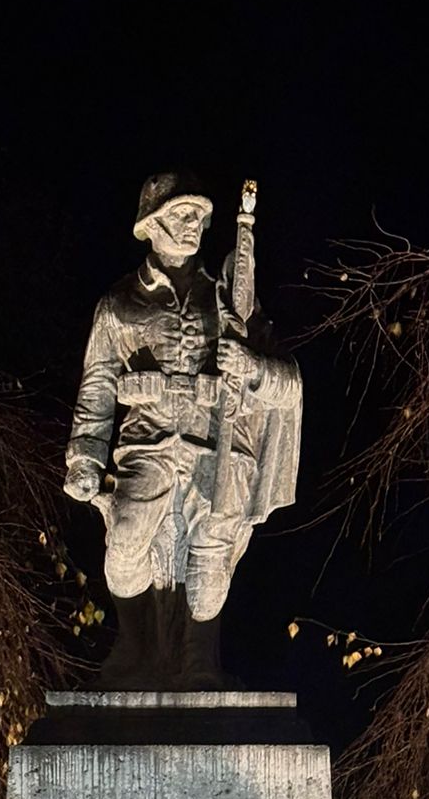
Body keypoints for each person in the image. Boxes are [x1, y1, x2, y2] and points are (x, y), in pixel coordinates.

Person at [65, 169, 301, 688]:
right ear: (152, 224)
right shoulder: (119, 304)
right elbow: (97, 384)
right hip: (146, 448)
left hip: (216, 451)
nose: (195, 223)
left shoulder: (229, 301)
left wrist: (251, 367)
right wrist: (84, 460)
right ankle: (135, 644)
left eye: (199, 215)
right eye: (182, 213)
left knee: (212, 554)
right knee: (125, 541)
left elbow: (288, 383)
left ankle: (200, 658)